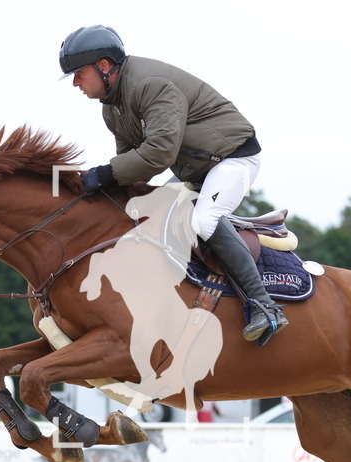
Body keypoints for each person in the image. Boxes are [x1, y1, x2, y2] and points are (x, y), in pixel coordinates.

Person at [59, 25, 288, 344]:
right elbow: (132, 168)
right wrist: (96, 191)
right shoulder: (112, 108)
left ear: (104, 65)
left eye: (79, 73)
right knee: (145, 215)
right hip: (193, 169)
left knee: (204, 220)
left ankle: (265, 306)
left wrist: (100, 175)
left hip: (232, 159)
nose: (75, 83)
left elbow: (158, 153)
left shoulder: (149, 84)